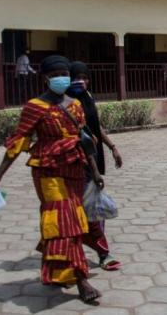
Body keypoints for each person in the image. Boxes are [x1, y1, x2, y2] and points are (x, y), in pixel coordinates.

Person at [0, 55, 104, 303]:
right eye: (57, 73)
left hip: (74, 170)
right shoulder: (34, 106)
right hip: (47, 170)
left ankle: (55, 270)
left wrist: (95, 171)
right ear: (46, 78)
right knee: (63, 220)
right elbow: (19, 141)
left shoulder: (75, 105)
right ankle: (81, 279)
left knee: (71, 220)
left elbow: (85, 139)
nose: (63, 78)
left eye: (66, 73)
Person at [67, 61, 124, 271]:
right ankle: (96, 252)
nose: (81, 81)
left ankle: (100, 251)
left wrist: (112, 146)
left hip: (93, 159)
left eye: (85, 77)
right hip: (76, 161)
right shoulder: (66, 102)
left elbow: (95, 126)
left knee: (94, 206)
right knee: (79, 208)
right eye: (76, 77)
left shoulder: (88, 97)